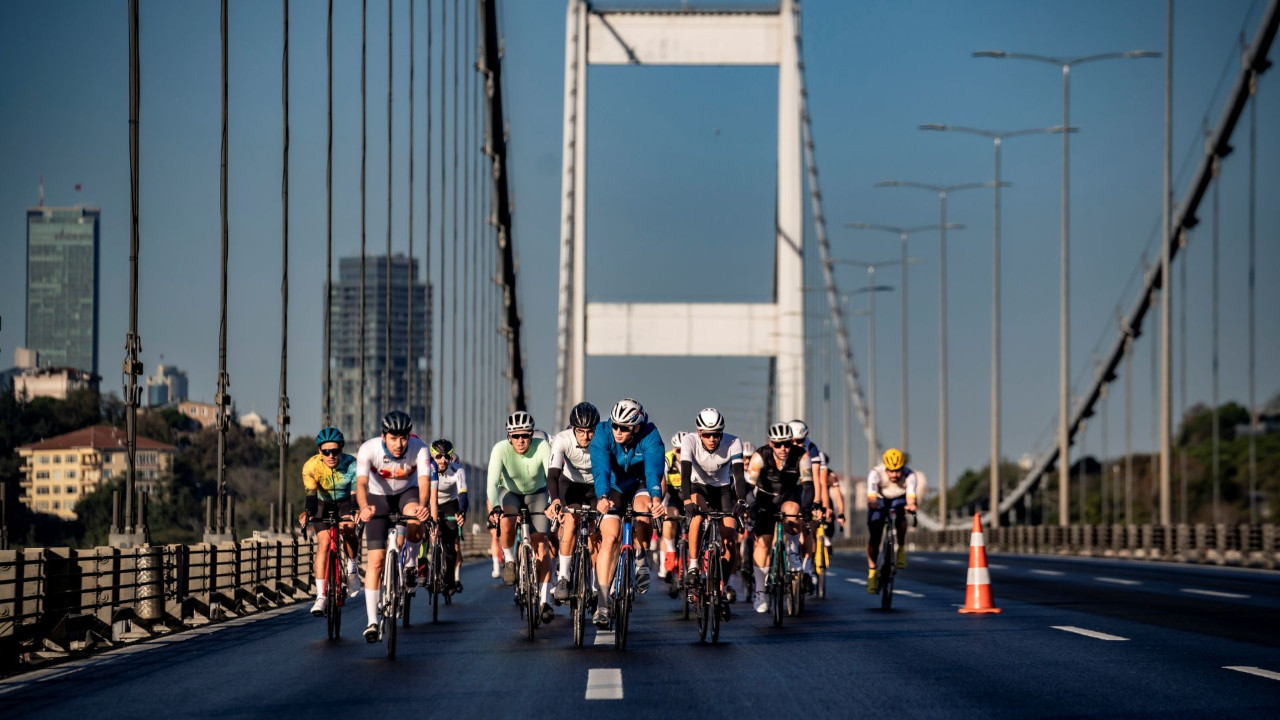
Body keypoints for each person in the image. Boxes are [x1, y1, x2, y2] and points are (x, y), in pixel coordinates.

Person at [355, 411, 436, 642]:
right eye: (393, 438)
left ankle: (410, 566)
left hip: (406, 494)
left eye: (403, 438)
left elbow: (424, 483)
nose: (399, 444)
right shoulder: (368, 449)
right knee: (376, 560)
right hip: (377, 497)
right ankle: (372, 621)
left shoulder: (420, 448)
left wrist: (423, 506)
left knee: (415, 518)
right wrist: (364, 507)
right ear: (383, 436)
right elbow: (361, 484)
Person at [589, 397, 664, 628]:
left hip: (640, 482)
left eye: (624, 428)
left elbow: (653, 470)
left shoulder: (650, 434)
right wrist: (602, 496)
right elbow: (600, 468)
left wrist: (656, 499)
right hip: (613, 485)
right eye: (615, 426)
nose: (618, 431)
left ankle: (641, 558)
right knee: (610, 536)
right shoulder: (603, 433)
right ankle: (603, 603)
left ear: (637, 428)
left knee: (643, 508)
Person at [487, 410, 556, 623]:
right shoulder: (500, 449)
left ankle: (544, 600)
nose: (520, 440)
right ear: (509, 437)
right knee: (506, 520)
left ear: (531, 435)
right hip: (510, 492)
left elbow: (551, 477)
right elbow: (492, 483)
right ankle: (509, 560)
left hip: (537, 493)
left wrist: (552, 502)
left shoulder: (542, 447)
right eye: (515, 436)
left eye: (525, 435)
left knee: (541, 543)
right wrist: (495, 507)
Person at [680, 408, 748, 611]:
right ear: (699, 432)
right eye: (707, 435)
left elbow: (739, 476)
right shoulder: (689, 440)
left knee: (730, 538)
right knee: (697, 517)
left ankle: (722, 587)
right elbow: (684, 475)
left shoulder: (733, 442)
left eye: (717, 434)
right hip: (698, 487)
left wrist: (741, 500)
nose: (712, 439)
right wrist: (687, 501)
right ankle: (694, 565)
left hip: (723, 489)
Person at [746, 422, 812, 613]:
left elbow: (808, 486)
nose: (783, 448)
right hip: (765, 498)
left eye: (787, 444)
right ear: (770, 444)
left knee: (792, 511)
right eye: (778, 444)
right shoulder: (760, 456)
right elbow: (748, 487)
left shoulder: (802, 456)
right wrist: (751, 506)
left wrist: (806, 507)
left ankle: (793, 552)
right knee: (763, 544)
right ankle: (760, 592)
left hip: (789, 494)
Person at [301, 427, 361, 616]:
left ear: (341, 449)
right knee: (324, 543)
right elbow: (310, 498)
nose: (331, 456)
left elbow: (355, 495)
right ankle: (321, 596)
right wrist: (308, 513)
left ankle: (352, 569)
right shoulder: (311, 466)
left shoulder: (352, 464)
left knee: (349, 529)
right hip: (322, 502)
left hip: (345, 501)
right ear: (320, 451)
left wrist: (355, 511)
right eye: (326, 451)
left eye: (335, 451)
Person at [547, 402, 601, 603]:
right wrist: (555, 500)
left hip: (596, 486)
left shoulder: (603, 438)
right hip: (571, 485)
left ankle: (595, 584)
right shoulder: (562, 439)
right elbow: (553, 475)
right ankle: (563, 578)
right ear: (573, 429)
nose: (585, 437)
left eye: (590, 431)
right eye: (580, 431)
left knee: (596, 533)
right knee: (570, 522)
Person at [865, 447, 918, 593]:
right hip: (880, 499)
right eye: (891, 471)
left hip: (898, 498)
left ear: (903, 467)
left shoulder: (910, 475)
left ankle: (900, 549)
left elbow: (911, 496)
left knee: (900, 516)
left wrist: (911, 505)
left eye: (898, 471)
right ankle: (872, 572)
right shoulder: (875, 473)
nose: (894, 475)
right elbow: (871, 496)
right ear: (885, 468)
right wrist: (873, 503)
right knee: (875, 534)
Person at [790, 419, 827, 592]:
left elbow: (817, 479)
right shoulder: (781, 448)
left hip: (806, 488)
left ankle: (807, 570)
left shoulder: (812, 449)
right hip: (789, 489)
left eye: (800, 441)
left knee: (807, 529)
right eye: (793, 441)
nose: (797, 444)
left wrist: (817, 504)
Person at [428, 438, 468, 594]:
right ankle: (425, 564)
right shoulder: (427, 468)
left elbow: (462, 494)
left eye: (447, 456)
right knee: (423, 533)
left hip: (449, 504)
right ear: (432, 456)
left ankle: (449, 579)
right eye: (438, 456)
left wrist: (462, 511)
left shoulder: (457, 470)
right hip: (430, 502)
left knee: (450, 544)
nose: (443, 460)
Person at [659, 430, 688, 583]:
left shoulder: (695, 458)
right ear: (673, 450)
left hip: (690, 496)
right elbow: (662, 480)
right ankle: (670, 550)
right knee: (669, 520)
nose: (682, 454)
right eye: (678, 451)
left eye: (685, 450)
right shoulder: (668, 459)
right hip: (673, 496)